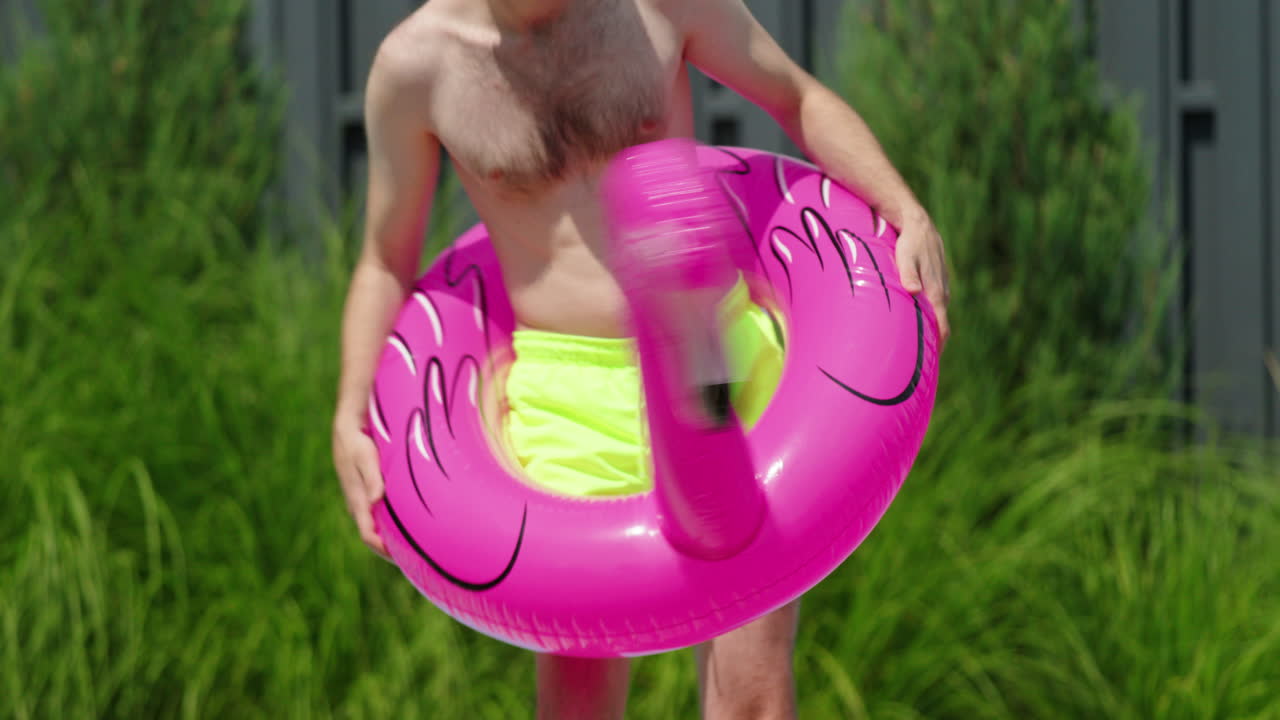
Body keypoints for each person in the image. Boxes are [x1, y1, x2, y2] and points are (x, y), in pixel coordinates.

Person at [331, 1, 950, 717]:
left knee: (753, 673)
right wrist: (351, 411)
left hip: (715, 343)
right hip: (567, 396)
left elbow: (796, 96)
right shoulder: (417, 68)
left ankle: (692, 369)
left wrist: (904, 208)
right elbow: (385, 260)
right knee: (579, 690)